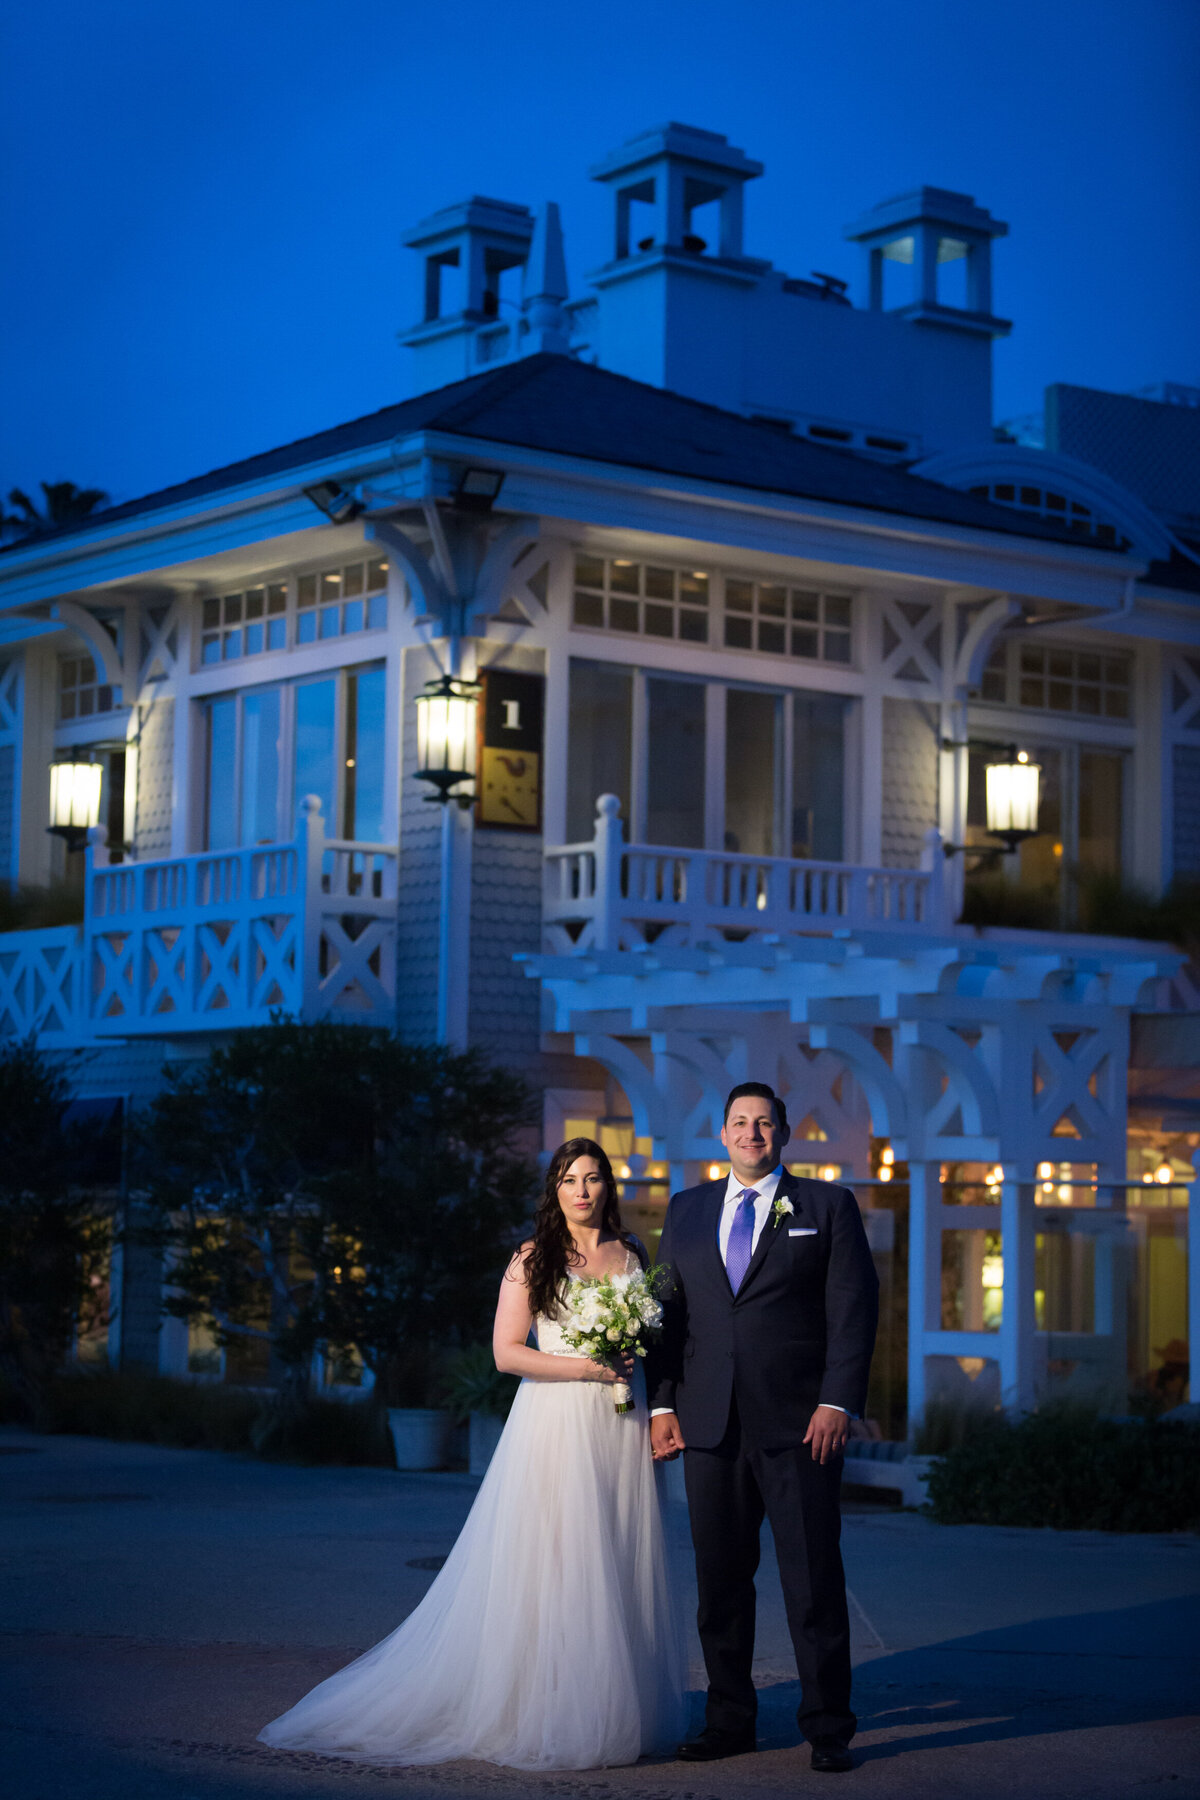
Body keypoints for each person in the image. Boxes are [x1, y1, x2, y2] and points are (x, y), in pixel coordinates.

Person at [258, 1137, 686, 1771]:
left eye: (594, 1179)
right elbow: (507, 1353)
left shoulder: (632, 1256)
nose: (584, 1191)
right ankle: (553, 1708)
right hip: (558, 1422)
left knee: (617, 1555)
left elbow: (656, 1341)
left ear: (609, 1187)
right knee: (558, 1563)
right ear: (555, 1190)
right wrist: (588, 1367)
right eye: (571, 1180)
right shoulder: (532, 1258)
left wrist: (640, 1390)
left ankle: (618, 1705)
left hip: (618, 1426)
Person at [648, 1083, 878, 1775]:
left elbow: (853, 1310)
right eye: (740, 1123)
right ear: (722, 1135)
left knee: (812, 1581)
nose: (752, 1134)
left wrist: (837, 1401)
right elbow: (667, 1317)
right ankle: (729, 1720)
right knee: (720, 1585)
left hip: (800, 1425)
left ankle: (828, 1728)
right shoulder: (686, 1212)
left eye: (764, 1123)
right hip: (708, 1424)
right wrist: (661, 1405)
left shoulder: (827, 1206)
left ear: (784, 1133)